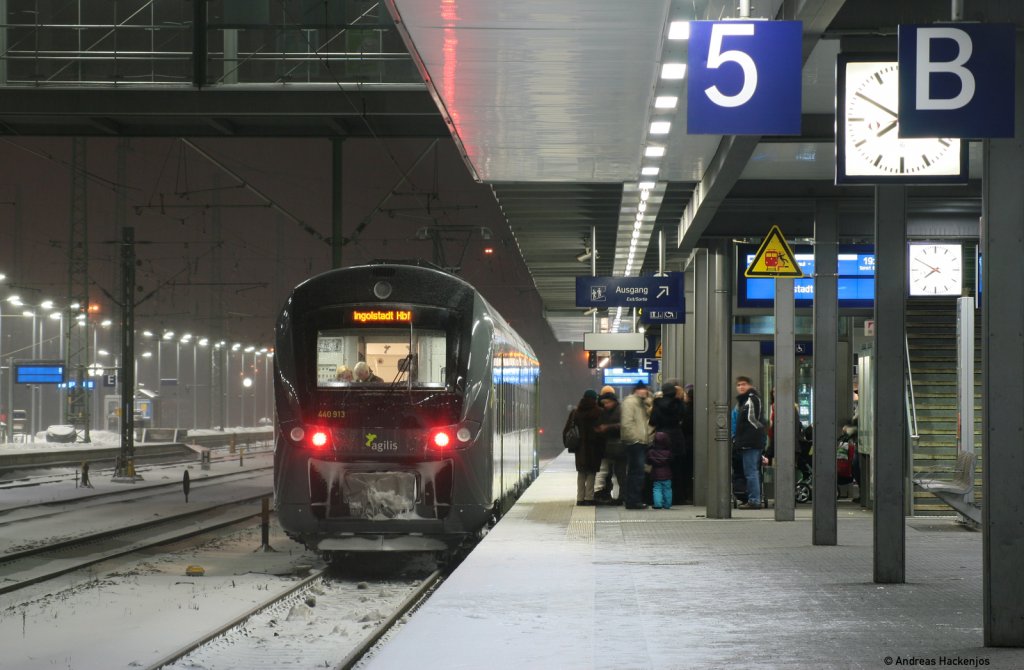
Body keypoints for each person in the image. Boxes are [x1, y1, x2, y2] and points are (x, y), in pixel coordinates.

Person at [733, 376, 766, 510]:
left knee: (751, 472)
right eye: (739, 385)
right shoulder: (745, 401)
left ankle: (754, 500)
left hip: (750, 442)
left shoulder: (752, 399)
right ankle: (754, 498)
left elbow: (753, 420)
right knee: (751, 471)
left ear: (750, 386)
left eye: (744, 384)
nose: (741, 387)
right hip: (749, 441)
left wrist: (744, 437)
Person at [621, 382, 654, 509]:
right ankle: (633, 500)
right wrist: (634, 439)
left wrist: (648, 401)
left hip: (640, 441)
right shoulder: (630, 402)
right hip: (635, 442)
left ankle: (632, 500)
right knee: (637, 472)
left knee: (636, 472)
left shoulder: (640, 403)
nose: (645, 392)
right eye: (642, 390)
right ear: (636, 390)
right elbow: (627, 423)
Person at [570, 389, 605, 505]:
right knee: (591, 473)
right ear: (595, 399)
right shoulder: (599, 412)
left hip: (580, 448)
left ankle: (580, 498)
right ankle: (589, 498)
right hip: (594, 447)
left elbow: (567, 429)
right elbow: (602, 431)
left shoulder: (575, 412)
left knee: (581, 473)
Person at [594, 390, 625, 504]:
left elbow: (623, 425)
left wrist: (607, 427)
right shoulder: (606, 411)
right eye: (604, 403)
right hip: (609, 446)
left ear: (613, 401)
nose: (606, 405)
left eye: (607, 402)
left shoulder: (620, 410)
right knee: (607, 471)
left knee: (620, 472)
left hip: (619, 446)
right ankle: (603, 494)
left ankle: (622, 497)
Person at [647, 431, 674, 509]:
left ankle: (658, 504)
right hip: (667, 474)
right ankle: (667, 504)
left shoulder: (651, 452)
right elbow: (671, 460)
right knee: (668, 489)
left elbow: (648, 461)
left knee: (657, 489)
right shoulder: (668, 453)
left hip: (656, 474)